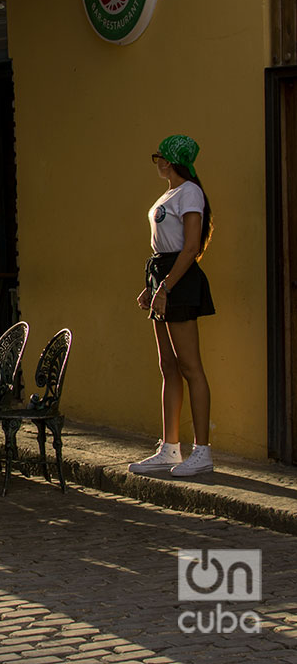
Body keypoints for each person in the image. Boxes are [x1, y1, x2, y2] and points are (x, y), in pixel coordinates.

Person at [129, 135, 216, 477]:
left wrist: (166, 286)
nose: (158, 163)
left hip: (178, 278)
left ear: (173, 161)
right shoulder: (169, 194)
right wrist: (150, 287)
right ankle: (169, 447)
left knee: (190, 365)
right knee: (167, 366)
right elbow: (163, 244)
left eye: (161, 157)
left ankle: (202, 450)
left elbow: (190, 245)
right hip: (162, 275)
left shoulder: (190, 192)